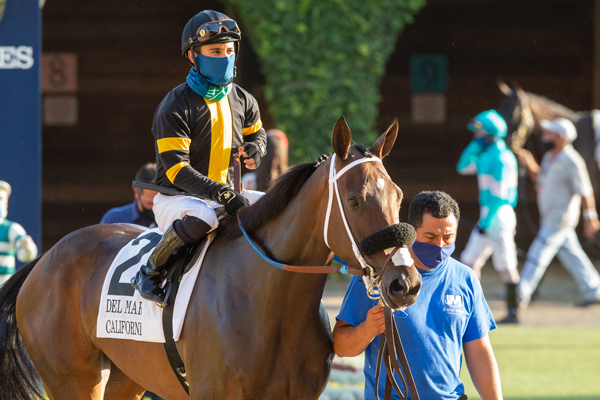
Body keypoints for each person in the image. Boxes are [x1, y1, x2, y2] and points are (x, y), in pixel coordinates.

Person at [131, 10, 267, 306]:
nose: (225, 57)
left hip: (227, 194)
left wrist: (256, 149)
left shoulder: (243, 99)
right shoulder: (174, 106)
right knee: (204, 216)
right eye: (215, 51)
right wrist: (222, 192)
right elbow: (178, 170)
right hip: (176, 198)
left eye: (230, 51)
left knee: (275, 205)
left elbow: (258, 134)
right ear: (193, 55)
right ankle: (150, 272)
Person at [333, 191, 502, 400]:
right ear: (411, 232)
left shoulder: (465, 278)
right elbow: (340, 347)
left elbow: (479, 353)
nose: (440, 245)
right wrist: (367, 329)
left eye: (448, 237)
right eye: (430, 237)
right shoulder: (377, 276)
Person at [516, 118, 600, 308]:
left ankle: (520, 295)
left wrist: (590, 217)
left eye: (549, 134)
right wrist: (529, 163)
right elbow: (541, 181)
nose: (544, 137)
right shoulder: (549, 157)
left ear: (561, 138)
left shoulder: (572, 160)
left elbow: (585, 191)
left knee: (537, 255)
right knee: (573, 255)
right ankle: (595, 290)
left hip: (560, 219)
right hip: (551, 217)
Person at [456, 109, 521, 323]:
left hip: (498, 215)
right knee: (469, 261)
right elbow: (462, 167)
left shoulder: (502, 158)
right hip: (489, 215)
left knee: (506, 264)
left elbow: (499, 196)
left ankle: (513, 312)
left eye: (480, 134)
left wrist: (486, 221)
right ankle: (475, 308)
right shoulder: (487, 155)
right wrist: (474, 146)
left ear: (491, 134)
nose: (476, 137)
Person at [0, 180, 38, 285]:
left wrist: (27, 248)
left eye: (1, 199)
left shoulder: (11, 228)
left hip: (3, 290)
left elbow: (26, 256)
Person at [100, 163, 158, 228]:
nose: (155, 208)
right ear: (136, 193)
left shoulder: (170, 220)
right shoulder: (114, 220)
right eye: (150, 203)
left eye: (159, 203)